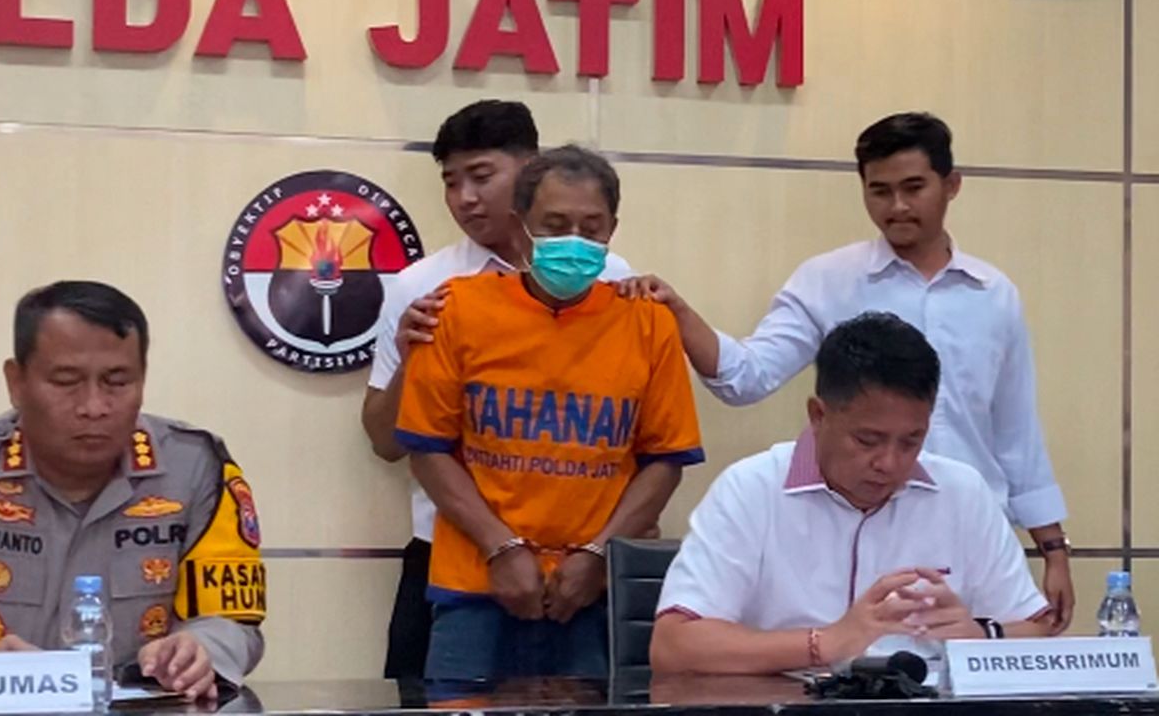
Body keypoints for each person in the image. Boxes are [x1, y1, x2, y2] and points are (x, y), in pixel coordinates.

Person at [624, 112, 1073, 632]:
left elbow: (1017, 433)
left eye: (913, 188)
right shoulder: (828, 280)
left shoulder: (994, 294)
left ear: (951, 185)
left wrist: (1053, 549)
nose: (897, 206)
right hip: (844, 526)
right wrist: (678, 312)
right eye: (879, 191)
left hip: (963, 534)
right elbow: (747, 375)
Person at [396, 145, 704, 680]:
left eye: (592, 228)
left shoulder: (648, 322)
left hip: (592, 595)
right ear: (521, 225)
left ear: (612, 230)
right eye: (556, 226)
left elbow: (665, 459)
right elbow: (427, 450)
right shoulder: (454, 309)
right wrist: (501, 548)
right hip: (474, 588)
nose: (575, 241)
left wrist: (597, 555)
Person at [362, 100, 631, 678]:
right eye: (450, 182)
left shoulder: (612, 278)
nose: (465, 198)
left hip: (580, 570)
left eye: (481, 176)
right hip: (448, 556)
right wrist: (412, 357)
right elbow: (385, 442)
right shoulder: (423, 286)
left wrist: (600, 550)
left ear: (531, 171)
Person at [650, 313, 1051, 675]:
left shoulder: (963, 493)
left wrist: (981, 637)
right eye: (868, 440)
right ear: (818, 415)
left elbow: (1036, 629)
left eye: (911, 441)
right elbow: (674, 645)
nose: (889, 463)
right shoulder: (750, 490)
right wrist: (825, 643)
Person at [0, 281, 265, 701]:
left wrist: (201, 649)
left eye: (117, 382)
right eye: (66, 381)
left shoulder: (195, 468)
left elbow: (233, 621)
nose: (93, 406)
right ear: (16, 382)